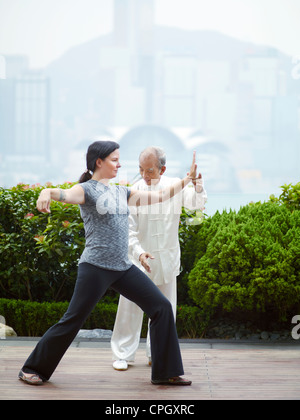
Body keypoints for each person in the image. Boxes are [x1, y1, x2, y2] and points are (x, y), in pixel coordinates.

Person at [18, 140, 198, 386]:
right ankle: (32, 368)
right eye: (115, 159)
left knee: (161, 307)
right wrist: (46, 192)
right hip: (96, 267)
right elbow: (67, 195)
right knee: (73, 320)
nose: (119, 164)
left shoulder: (121, 192)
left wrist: (187, 180)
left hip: (123, 267)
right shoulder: (87, 189)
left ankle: (166, 372)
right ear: (98, 162)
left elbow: (159, 196)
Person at [111, 147, 207, 371]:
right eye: (141, 170)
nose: (145, 175)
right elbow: (128, 231)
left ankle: (158, 354)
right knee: (129, 308)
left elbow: (195, 204)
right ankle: (122, 353)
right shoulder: (133, 191)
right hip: (137, 260)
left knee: (166, 308)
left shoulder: (175, 185)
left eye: (150, 171)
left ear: (163, 169)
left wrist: (197, 184)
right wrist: (138, 252)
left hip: (166, 259)